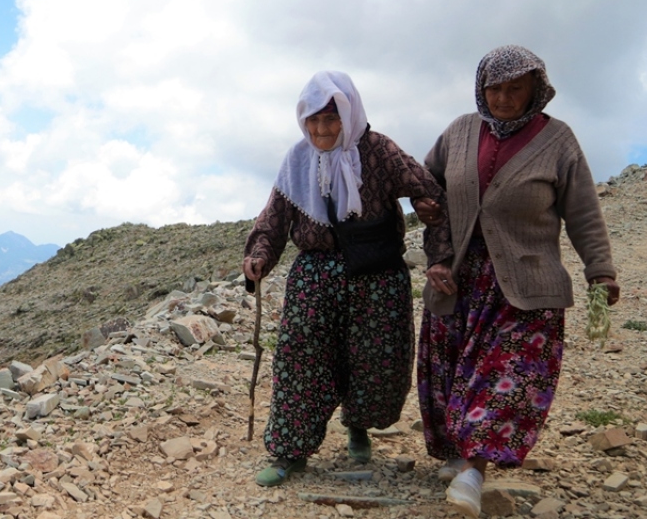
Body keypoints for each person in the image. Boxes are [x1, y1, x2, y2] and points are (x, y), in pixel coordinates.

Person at [415, 46, 619, 518]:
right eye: (495, 89)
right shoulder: (460, 131)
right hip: (458, 280)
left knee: (508, 377)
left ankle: (474, 472)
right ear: (481, 89)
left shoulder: (559, 140)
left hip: (526, 285)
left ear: (535, 90)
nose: (504, 98)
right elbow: (426, 185)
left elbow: (584, 212)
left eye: (515, 88)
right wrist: (428, 220)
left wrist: (600, 270)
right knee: (448, 373)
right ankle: (458, 454)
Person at [242, 70, 451, 487]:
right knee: (301, 362)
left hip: (377, 276)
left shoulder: (378, 151)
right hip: (314, 276)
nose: (321, 130)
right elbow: (274, 219)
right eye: (313, 120)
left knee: (377, 361)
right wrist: (259, 255)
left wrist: (436, 243)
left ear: (349, 114)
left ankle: (357, 425)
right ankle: (289, 451)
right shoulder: (297, 160)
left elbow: (431, 193)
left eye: (331, 119)